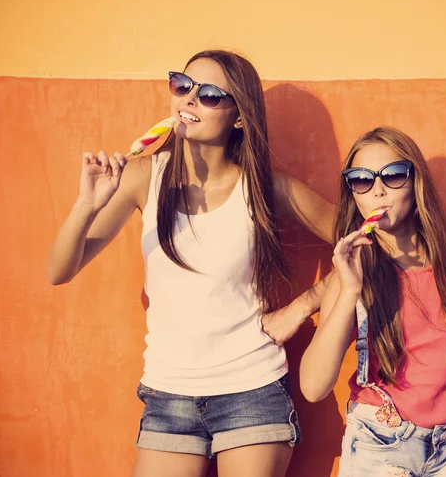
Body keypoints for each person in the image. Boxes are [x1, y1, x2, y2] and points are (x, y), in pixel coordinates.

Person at [47, 50, 335, 477]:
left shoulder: (265, 189)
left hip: (251, 391)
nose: (189, 99)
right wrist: (85, 205)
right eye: (183, 85)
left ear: (240, 116)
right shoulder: (143, 176)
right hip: (169, 395)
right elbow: (59, 271)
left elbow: (365, 240)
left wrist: (304, 304)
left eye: (211, 94)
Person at [300, 127, 446, 476]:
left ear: (416, 181)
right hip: (376, 448)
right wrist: (349, 290)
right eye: (361, 180)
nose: (377, 189)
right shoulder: (352, 274)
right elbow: (313, 387)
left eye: (393, 175)